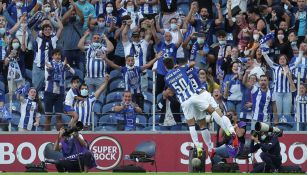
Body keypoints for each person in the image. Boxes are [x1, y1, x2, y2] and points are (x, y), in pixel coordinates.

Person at [163, 58, 238, 158]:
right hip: (198, 95)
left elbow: (171, 91)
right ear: (175, 64)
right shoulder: (183, 69)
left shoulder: (166, 78)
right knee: (215, 111)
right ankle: (229, 131)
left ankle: (203, 147)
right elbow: (194, 64)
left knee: (196, 125)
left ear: (165, 67)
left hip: (185, 101)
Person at [44, 49, 75, 131]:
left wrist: (67, 66)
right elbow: (48, 77)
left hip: (60, 93)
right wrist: (52, 69)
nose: (58, 56)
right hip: (49, 92)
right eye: (56, 55)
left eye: (59, 55)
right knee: (48, 116)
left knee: (59, 116)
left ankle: (60, 137)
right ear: (52, 56)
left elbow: (73, 72)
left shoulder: (63, 65)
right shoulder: (48, 64)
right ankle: (46, 137)